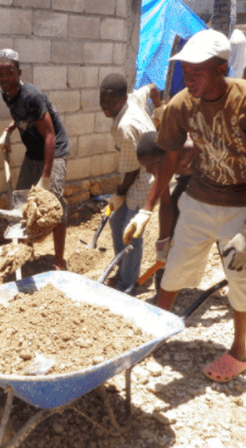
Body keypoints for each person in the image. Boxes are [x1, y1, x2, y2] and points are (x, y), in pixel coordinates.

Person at [123, 29, 246, 382]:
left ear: (221, 69)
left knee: (242, 278)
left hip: (239, 205)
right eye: (185, 72)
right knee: (174, 268)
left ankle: (239, 351)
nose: (188, 79)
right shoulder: (180, 106)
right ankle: (156, 330)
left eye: (197, 72)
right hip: (199, 200)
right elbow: (169, 162)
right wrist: (147, 209)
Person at [0, 49, 70, 271]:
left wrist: (46, 176)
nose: (3, 79)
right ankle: (25, 251)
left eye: (8, 74)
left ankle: (58, 261)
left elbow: (49, 135)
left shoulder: (32, 96)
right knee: (21, 202)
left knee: (53, 205)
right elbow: (20, 116)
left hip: (53, 151)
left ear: (18, 72)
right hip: (33, 152)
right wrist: (9, 131)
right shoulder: (7, 94)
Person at [99, 73, 159, 291]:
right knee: (116, 221)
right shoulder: (133, 98)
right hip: (135, 172)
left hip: (144, 178)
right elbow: (152, 87)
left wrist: (118, 194)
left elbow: (132, 171)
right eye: (103, 100)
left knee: (130, 231)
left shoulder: (126, 126)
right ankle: (122, 268)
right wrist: (159, 108)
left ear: (123, 99)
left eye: (111, 102)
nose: (106, 107)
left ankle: (129, 282)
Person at [135, 131, 196, 293]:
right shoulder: (161, 164)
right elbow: (166, 203)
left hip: (219, 178)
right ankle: (163, 287)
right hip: (189, 175)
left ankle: (238, 287)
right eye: (145, 167)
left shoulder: (193, 150)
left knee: (222, 230)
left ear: (169, 155)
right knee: (176, 210)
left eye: (152, 166)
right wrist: (163, 243)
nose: (149, 171)